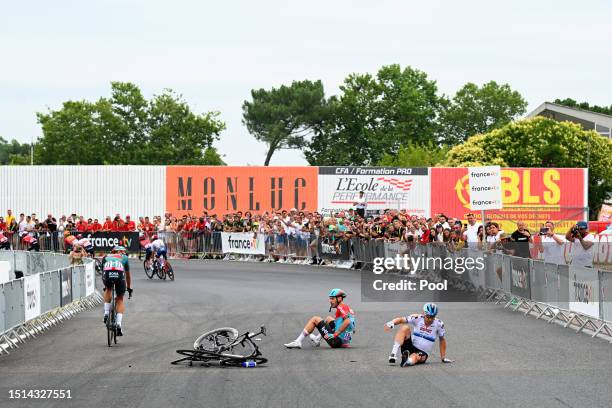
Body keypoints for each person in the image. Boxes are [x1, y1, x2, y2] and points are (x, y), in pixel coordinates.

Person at [384, 303, 453, 366]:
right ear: (423, 314)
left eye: (432, 317)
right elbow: (401, 320)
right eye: (428, 316)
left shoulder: (439, 324)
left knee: (415, 356)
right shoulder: (417, 318)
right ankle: (393, 354)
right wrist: (391, 323)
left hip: (423, 352)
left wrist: (443, 358)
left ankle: (407, 361)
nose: (430, 319)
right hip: (410, 347)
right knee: (405, 327)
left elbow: (442, 340)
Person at [284, 288, 355, 349]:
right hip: (344, 342)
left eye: (332, 298)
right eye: (330, 298)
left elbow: (347, 321)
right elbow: (351, 325)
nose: (330, 301)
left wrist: (335, 334)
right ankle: (317, 339)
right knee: (328, 319)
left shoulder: (340, 307)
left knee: (315, 319)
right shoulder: (346, 307)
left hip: (336, 342)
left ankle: (298, 341)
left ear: (339, 298)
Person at [101, 245, 132, 336]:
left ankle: (106, 313)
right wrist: (129, 287)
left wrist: (106, 286)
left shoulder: (105, 257)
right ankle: (118, 323)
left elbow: (103, 273)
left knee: (108, 289)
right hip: (119, 274)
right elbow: (128, 275)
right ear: (122, 252)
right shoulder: (125, 257)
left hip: (107, 272)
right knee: (120, 298)